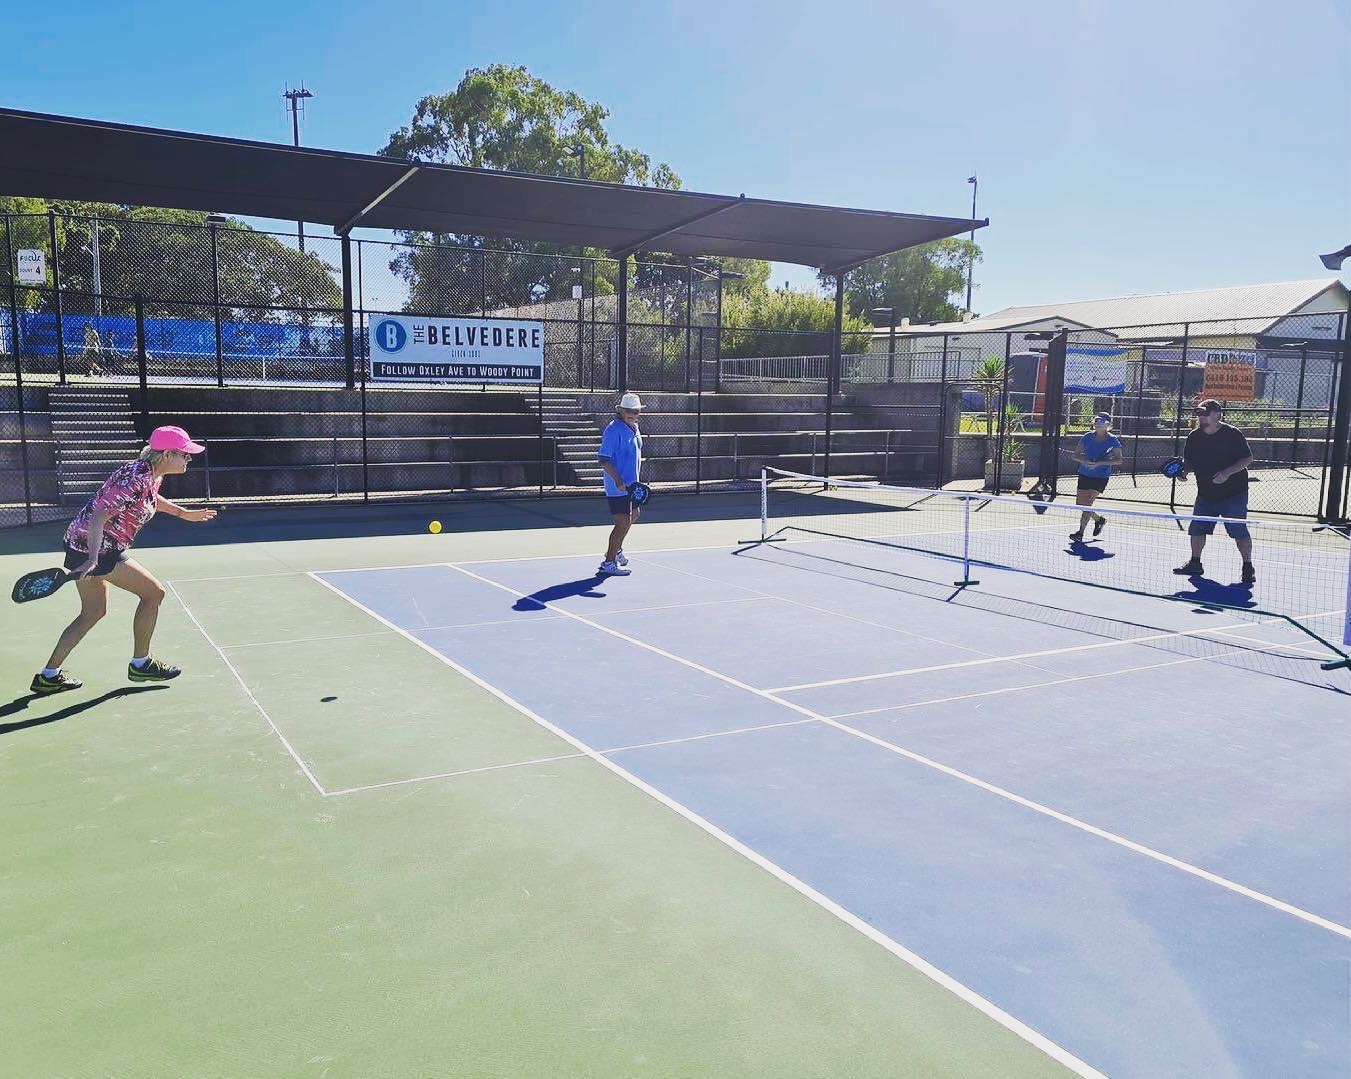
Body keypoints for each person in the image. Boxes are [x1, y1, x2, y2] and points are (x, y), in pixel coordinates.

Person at [30, 425, 217, 695]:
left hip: (82, 544)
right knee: (154, 594)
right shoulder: (134, 479)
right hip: (98, 548)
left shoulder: (149, 473)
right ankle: (141, 664)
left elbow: (151, 498)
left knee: (92, 612)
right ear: (166, 454)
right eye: (184, 454)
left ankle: (48, 675)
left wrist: (182, 513)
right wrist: (93, 559)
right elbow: (99, 516)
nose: (188, 459)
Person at [1172, 399, 1256, 584]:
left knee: (1238, 530)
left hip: (1233, 494)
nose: (1201, 417)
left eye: (1205, 414)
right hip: (1206, 494)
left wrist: (1226, 473)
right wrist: (1183, 473)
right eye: (1199, 414)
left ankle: (1247, 566)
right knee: (1197, 529)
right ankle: (1195, 563)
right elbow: (1189, 462)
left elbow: (1247, 458)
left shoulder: (1232, 434)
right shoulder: (1194, 436)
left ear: (1218, 415)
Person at [596, 392, 644, 577]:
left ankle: (616, 550)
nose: (632, 413)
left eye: (636, 411)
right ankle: (608, 562)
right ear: (621, 411)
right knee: (623, 521)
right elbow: (604, 459)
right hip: (618, 486)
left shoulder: (634, 427)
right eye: (629, 411)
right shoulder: (613, 430)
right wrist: (617, 479)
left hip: (632, 485)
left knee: (634, 514)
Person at [1068, 412, 1122, 542]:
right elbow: (1075, 455)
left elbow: (1118, 460)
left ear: (1108, 425)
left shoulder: (1112, 440)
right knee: (1081, 505)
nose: (1097, 423)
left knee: (1087, 505)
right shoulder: (1087, 437)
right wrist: (1085, 461)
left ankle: (1080, 533)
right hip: (1084, 474)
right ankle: (1099, 520)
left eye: (1101, 421)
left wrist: (1099, 463)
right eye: (1096, 420)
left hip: (1100, 477)